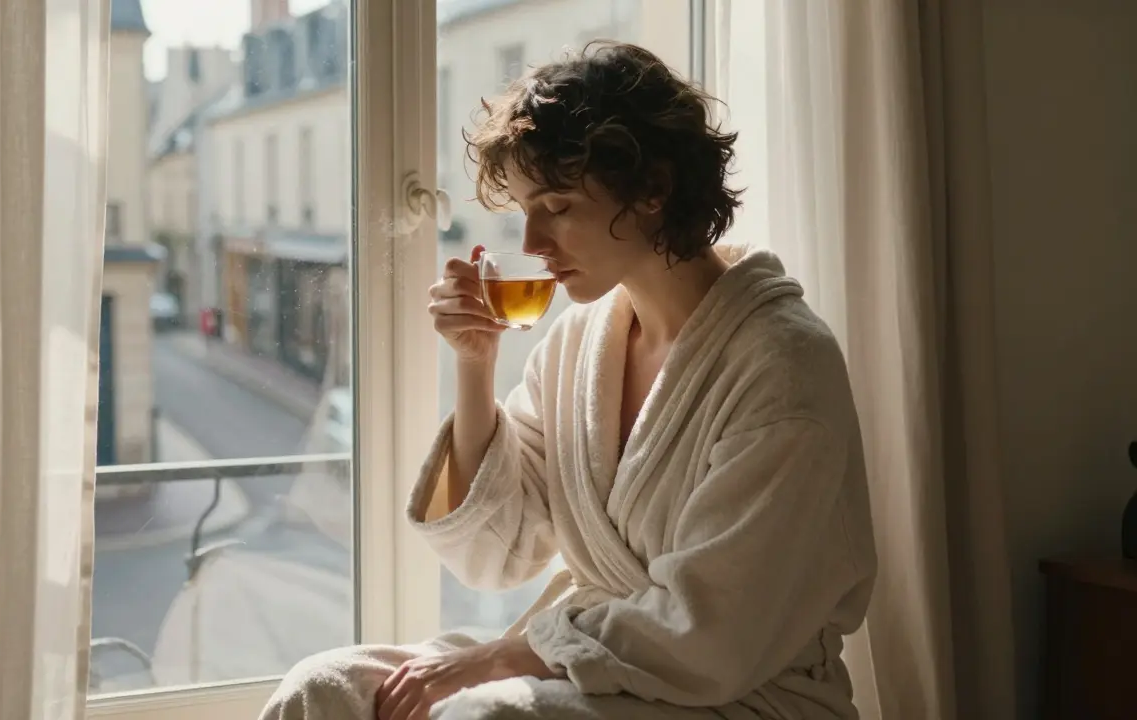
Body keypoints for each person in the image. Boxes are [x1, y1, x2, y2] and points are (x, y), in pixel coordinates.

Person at [259, 41, 877, 720]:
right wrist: (474, 362)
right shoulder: (581, 344)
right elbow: (496, 552)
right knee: (324, 686)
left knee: (483, 716)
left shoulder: (782, 366)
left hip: (742, 694)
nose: (531, 243)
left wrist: (500, 658)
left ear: (653, 189)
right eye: (523, 209)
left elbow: (716, 636)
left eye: (556, 205)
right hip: (587, 653)